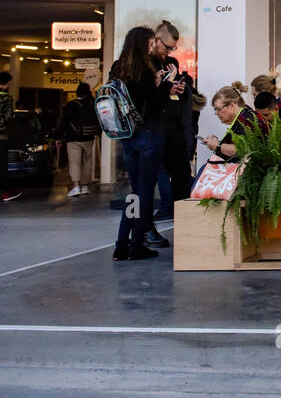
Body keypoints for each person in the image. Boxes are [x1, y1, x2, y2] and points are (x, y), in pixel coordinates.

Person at [112, 27, 174, 261]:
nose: (152, 47)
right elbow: (156, 104)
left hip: (128, 137)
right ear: (142, 44)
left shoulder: (119, 68)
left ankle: (121, 245)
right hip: (149, 135)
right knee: (145, 193)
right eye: (150, 43)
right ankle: (136, 244)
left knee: (134, 193)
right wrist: (164, 84)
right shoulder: (145, 71)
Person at [152, 21, 193, 215]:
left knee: (181, 172)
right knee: (157, 171)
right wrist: (165, 85)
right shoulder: (146, 64)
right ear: (156, 40)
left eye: (173, 48)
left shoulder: (172, 63)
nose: (169, 51)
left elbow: (178, 97)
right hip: (155, 125)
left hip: (173, 124)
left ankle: (180, 211)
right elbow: (148, 98)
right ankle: (166, 207)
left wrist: (180, 90)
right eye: (167, 47)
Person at [202, 83, 264, 160]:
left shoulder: (248, 121)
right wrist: (217, 142)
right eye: (215, 109)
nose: (216, 113)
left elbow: (242, 150)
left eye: (219, 108)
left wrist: (218, 146)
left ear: (232, 106)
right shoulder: (244, 116)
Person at [60, 83, 100, 197]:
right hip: (89, 137)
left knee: (75, 162)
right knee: (87, 162)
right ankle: (85, 186)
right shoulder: (92, 104)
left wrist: (58, 135)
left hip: (74, 138)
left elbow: (64, 122)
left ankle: (76, 186)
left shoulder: (71, 105)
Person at [0, 70, 21, 204]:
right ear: (6, 83)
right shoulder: (7, 98)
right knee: (2, 165)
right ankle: (6, 193)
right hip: (1, 137)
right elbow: (9, 117)